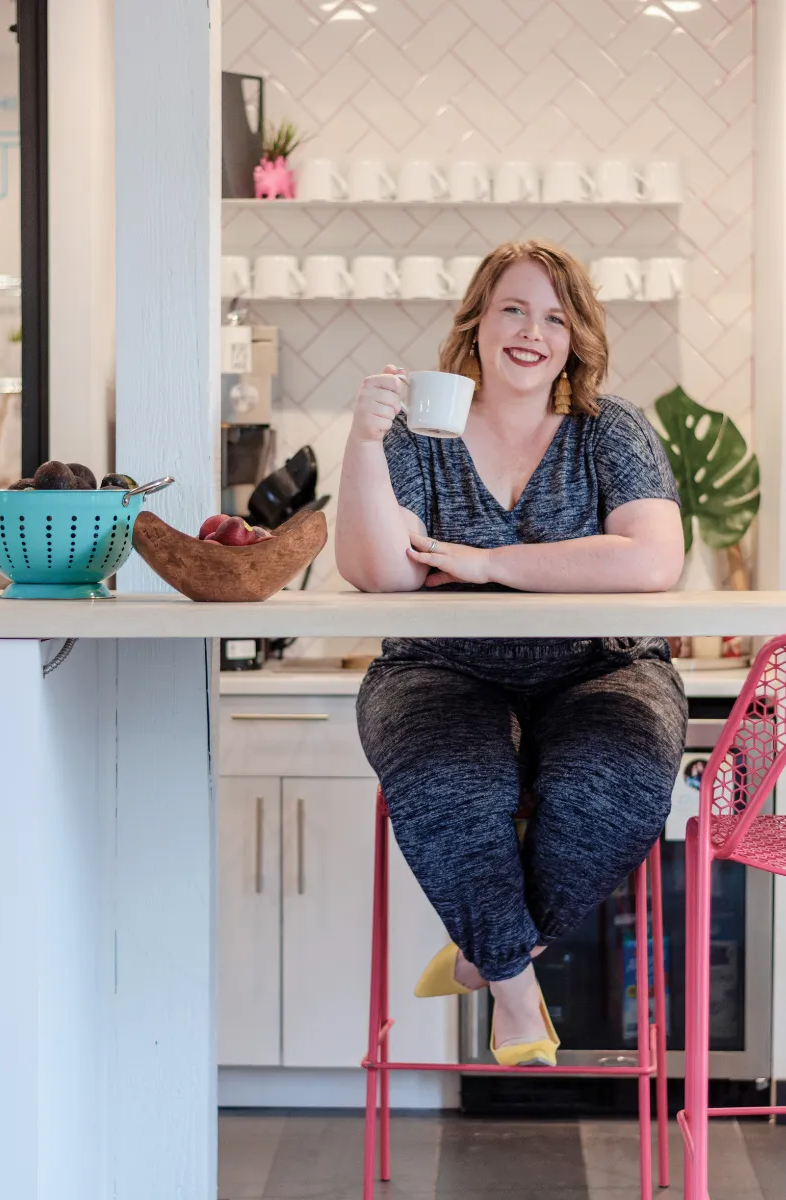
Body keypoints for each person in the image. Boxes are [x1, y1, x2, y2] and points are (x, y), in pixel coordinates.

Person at [335, 240, 688, 1066]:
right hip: (438, 668)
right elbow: (379, 572)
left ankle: (479, 955)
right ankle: (513, 987)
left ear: (575, 338)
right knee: (452, 786)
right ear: (478, 324)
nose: (533, 331)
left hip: (604, 667)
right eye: (513, 310)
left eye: (555, 317)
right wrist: (359, 442)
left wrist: (484, 563)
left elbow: (649, 559)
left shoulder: (612, 429)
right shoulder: (421, 435)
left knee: (613, 786)